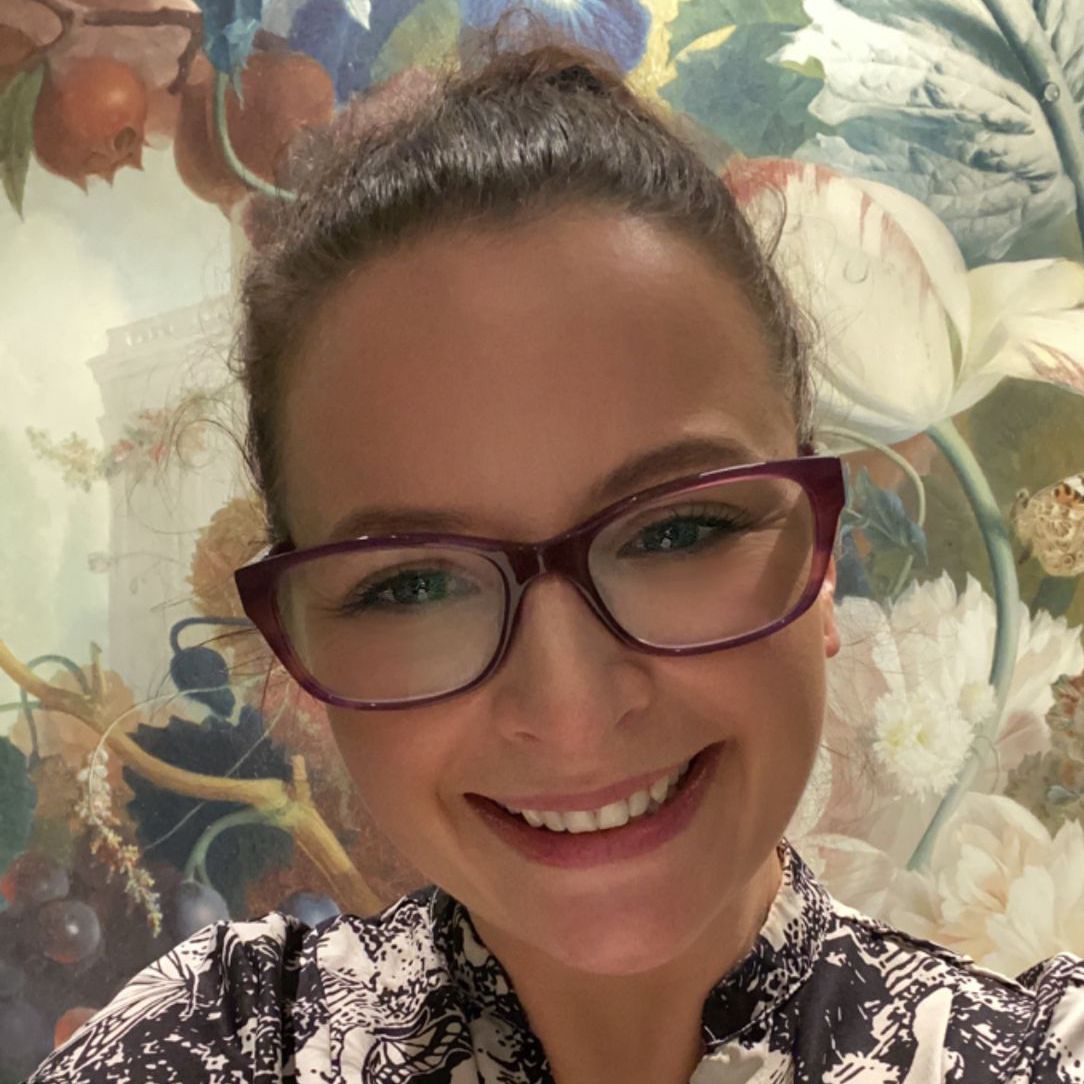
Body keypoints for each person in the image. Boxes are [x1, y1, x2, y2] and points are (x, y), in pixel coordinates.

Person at [25, 31, 1084, 1084]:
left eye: (675, 531)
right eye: (413, 585)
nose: (570, 709)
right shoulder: (207, 1050)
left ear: (821, 552)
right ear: (298, 650)